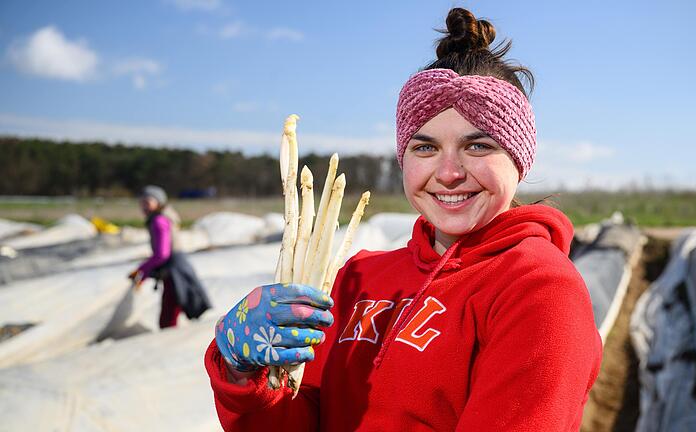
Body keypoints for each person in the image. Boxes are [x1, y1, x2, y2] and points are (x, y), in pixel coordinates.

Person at [204, 8, 602, 431]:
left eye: (478, 146)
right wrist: (244, 372)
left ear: (519, 159)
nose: (448, 172)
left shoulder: (539, 291)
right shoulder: (358, 279)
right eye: (425, 148)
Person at [129, 185, 211, 328]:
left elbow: (162, 254)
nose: (144, 206)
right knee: (173, 311)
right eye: (142, 202)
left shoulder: (158, 221)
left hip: (174, 271)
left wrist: (142, 270)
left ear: (158, 202)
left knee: (168, 317)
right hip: (175, 268)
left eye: (147, 202)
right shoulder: (162, 218)